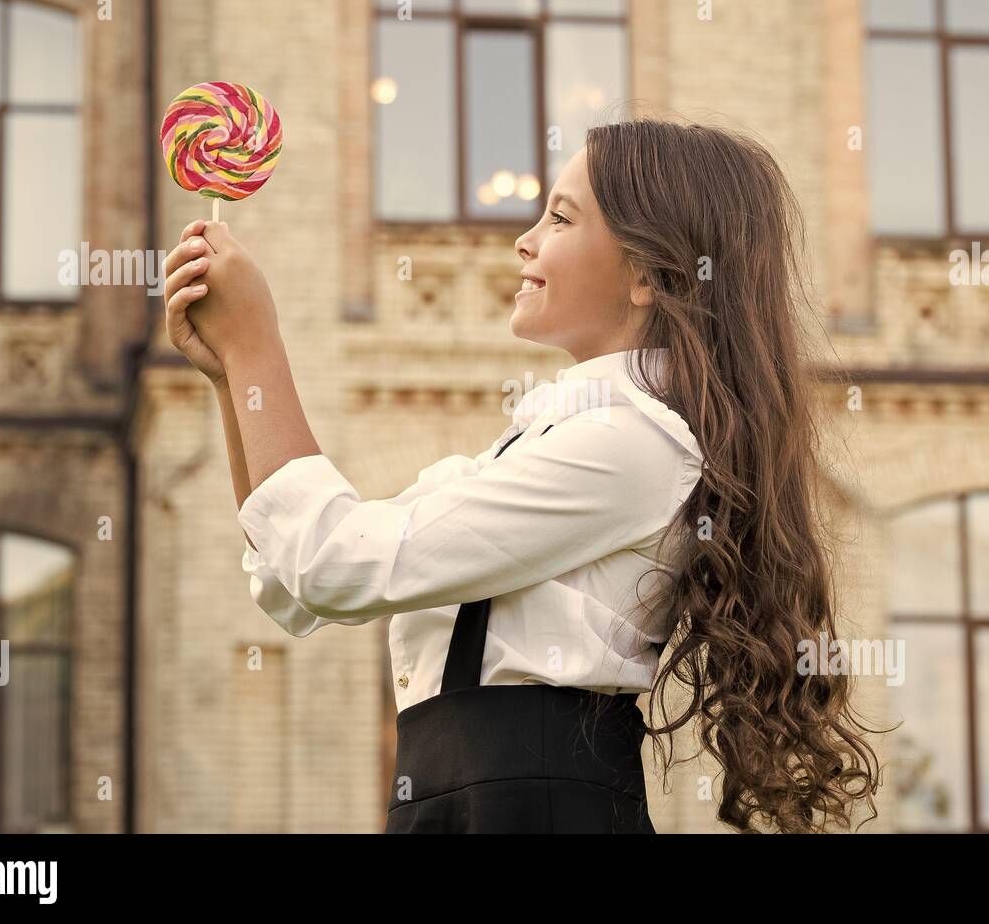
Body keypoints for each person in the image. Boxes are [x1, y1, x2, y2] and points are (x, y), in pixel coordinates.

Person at [162, 117, 882, 834]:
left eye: (561, 217)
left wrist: (258, 344)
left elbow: (332, 562)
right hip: (456, 796)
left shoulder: (631, 442)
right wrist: (233, 379)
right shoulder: (549, 437)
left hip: (530, 804)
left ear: (648, 275)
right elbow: (293, 582)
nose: (524, 239)